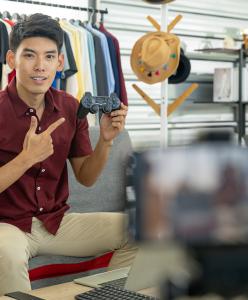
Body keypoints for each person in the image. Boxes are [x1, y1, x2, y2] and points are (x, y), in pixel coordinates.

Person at [0, 13, 137, 295]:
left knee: (141, 230)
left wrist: (106, 142)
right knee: (7, 256)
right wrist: (26, 158)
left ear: (60, 63)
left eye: (49, 57)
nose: (40, 66)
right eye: (30, 56)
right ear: (12, 60)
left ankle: (107, 295)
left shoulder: (69, 107)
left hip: (56, 224)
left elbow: (86, 177)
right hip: (7, 227)